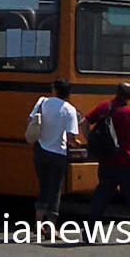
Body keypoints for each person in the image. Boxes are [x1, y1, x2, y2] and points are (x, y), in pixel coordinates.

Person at [86, 82, 130, 242]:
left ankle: (89, 233)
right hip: (126, 160)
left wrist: (91, 141)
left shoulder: (104, 107)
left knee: (100, 198)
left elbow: (84, 122)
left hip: (106, 160)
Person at [28, 78, 82, 224]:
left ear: (55, 90)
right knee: (55, 190)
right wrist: (78, 144)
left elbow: (30, 122)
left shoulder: (42, 101)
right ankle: (51, 226)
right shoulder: (70, 110)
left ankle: (38, 223)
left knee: (43, 187)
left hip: (40, 151)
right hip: (58, 153)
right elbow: (71, 138)